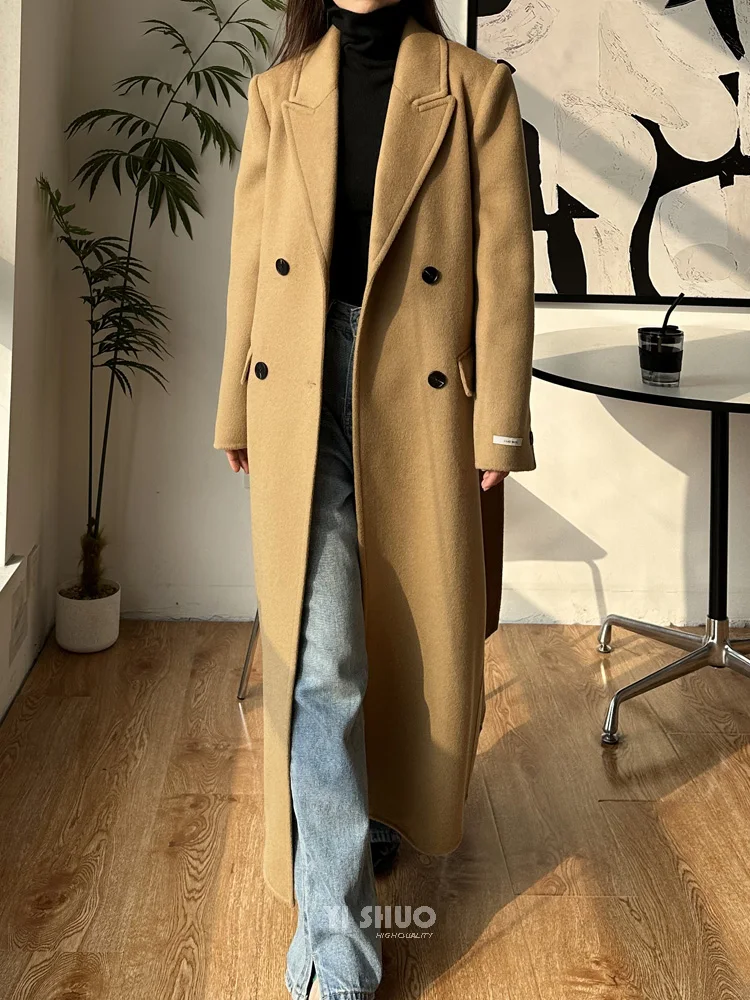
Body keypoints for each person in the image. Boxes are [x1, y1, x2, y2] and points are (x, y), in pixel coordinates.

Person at [213, 0, 536, 996]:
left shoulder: (475, 90)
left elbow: (505, 267)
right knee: (322, 663)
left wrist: (501, 423)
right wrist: (235, 405)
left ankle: (370, 816)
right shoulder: (278, 94)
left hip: (415, 394)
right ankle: (340, 946)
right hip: (299, 388)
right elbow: (251, 258)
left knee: (409, 638)